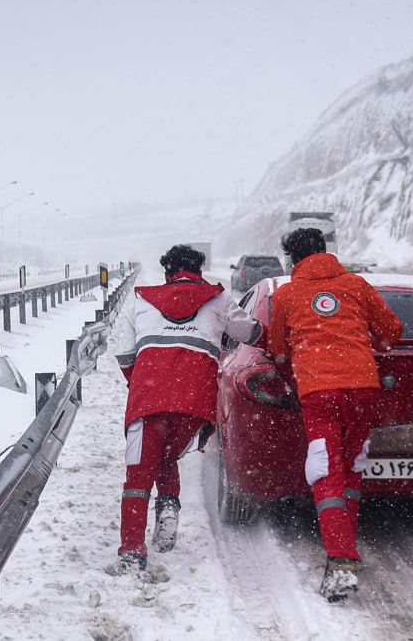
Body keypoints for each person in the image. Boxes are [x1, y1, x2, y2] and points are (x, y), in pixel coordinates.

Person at [109, 244, 263, 575]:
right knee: (167, 455)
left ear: (167, 273)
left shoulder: (141, 302)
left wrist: (141, 384)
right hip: (194, 402)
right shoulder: (219, 300)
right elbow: (250, 332)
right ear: (200, 271)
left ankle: (132, 551)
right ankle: (168, 506)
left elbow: (124, 357)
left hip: (147, 399)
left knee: (137, 476)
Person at [267, 228, 402, 602]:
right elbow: (392, 330)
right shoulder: (356, 285)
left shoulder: (287, 293)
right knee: (351, 467)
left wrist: (303, 353)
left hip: (318, 392)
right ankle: (345, 548)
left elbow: (277, 348)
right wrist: (364, 346)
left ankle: (341, 562)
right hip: (363, 389)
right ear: (325, 251)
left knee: (325, 473)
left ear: (292, 260)